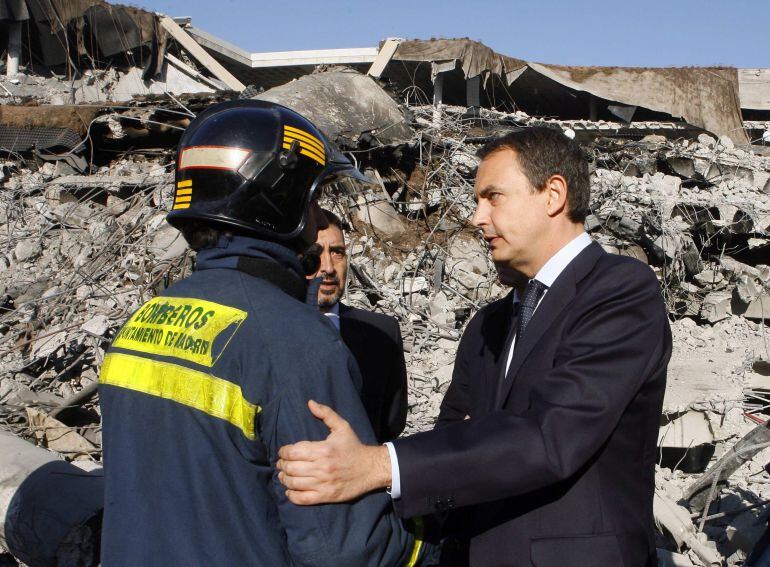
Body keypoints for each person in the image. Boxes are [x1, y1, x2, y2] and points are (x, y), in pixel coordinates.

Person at [277, 127, 672, 566]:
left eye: (493, 197)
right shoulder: (491, 322)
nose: (478, 216)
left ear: (553, 194)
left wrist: (377, 466)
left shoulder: (619, 292)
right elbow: (455, 434)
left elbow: (552, 436)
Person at [98, 99, 427, 566]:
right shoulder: (297, 343)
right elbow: (344, 550)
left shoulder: (142, 322)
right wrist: (425, 546)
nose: (317, 220)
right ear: (281, 201)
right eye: (312, 199)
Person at [308, 208, 408, 442]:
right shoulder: (270, 330)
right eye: (316, 254)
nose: (329, 268)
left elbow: (391, 423)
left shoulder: (381, 334)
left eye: (337, 252)